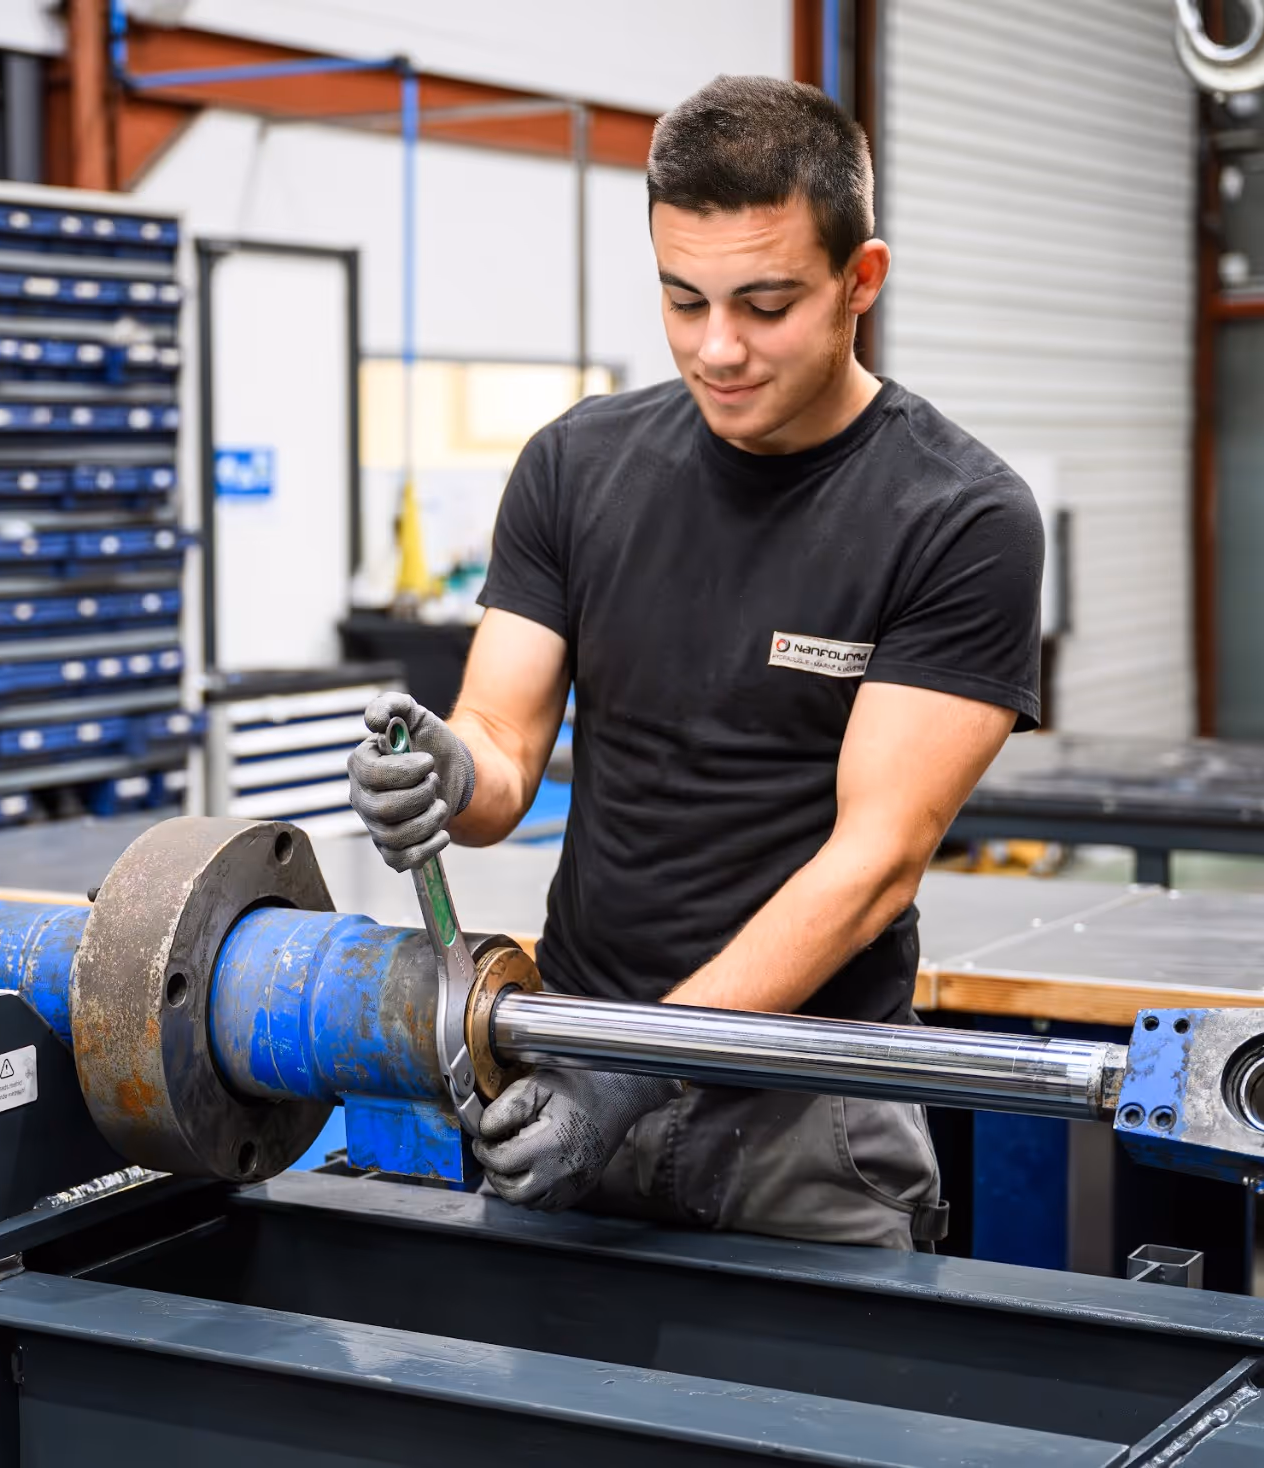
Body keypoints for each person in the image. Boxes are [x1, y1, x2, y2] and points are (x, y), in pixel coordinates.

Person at [347, 75, 1043, 1249]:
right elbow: (506, 743)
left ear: (858, 281)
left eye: (764, 306)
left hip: (801, 1114)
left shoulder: (956, 517)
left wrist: (631, 1077)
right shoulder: (576, 465)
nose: (715, 349)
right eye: (683, 301)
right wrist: (448, 774)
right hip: (562, 1064)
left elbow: (870, 865)